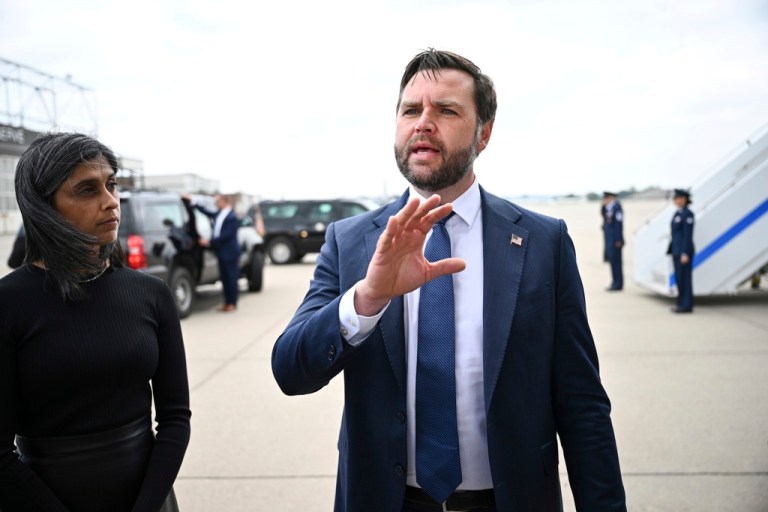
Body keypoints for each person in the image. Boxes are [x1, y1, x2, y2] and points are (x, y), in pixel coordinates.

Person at [272, 49, 626, 512]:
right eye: (410, 110)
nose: (423, 123)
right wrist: (368, 299)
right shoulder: (350, 241)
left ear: (484, 134)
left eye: (446, 110)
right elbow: (290, 371)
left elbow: (582, 404)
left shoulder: (544, 242)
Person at [0, 132, 191, 511]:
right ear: (43, 205)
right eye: (87, 189)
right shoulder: (8, 304)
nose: (111, 201)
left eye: (112, 184)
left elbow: (175, 418)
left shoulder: (152, 294)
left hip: (148, 499)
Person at [186, 193, 242, 312]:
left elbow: (226, 235)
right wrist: (193, 202)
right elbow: (206, 212)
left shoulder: (232, 217)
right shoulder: (219, 214)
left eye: (217, 202)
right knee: (225, 279)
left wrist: (209, 242)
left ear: (224, 201)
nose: (216, 204)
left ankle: (232, 303)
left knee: (231, 279)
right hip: (221, 252)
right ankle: (227, 303)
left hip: (230, 253)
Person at [667, 188, 695, 313]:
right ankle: (681, 303)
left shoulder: (688, 214)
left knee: (685, 279)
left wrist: (685, 253)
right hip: (676, 251)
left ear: (684, 199)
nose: (675, 200)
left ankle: (686, 305)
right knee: (679, 278)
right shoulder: (678, 213)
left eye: (677, 198)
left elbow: (687, 235)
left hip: (683, 252)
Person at [601, 191, 624, 291]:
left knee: (617, 263)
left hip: (615, 240)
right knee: (612, 261)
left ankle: (618, 283)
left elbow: (619, 224)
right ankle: (614, 282)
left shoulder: (617, 208)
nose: (604, 200)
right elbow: (603, 216)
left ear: (611, 198)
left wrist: (619, 239)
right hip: (609, 239)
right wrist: (603, 206)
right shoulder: (607, 208)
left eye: (606, 198)